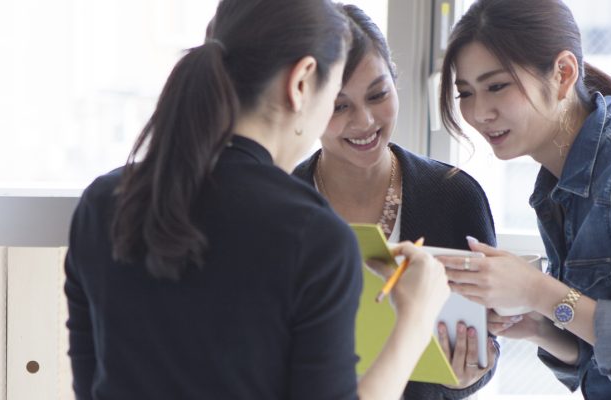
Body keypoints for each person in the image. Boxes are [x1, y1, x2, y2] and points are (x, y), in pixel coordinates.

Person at [64, 0, 451, 399]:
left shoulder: (102, 204)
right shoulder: (311, 234)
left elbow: (91, 386)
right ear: (301, 82)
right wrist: (415, 321)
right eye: (334, 95)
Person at [436, 0, 611, 397]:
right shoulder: (557, 185)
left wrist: (539, 292)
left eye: (496, 86)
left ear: (563, 73)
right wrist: (540, 327)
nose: (479, 112)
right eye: (466, 93)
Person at [292, 4, 498, 398]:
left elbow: (482, 341)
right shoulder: (281, 204)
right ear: (306, 103)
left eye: (378, 94)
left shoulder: (456, 195)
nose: (366, 120)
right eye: (340, 106)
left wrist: (469, 375)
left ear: (395, 83)